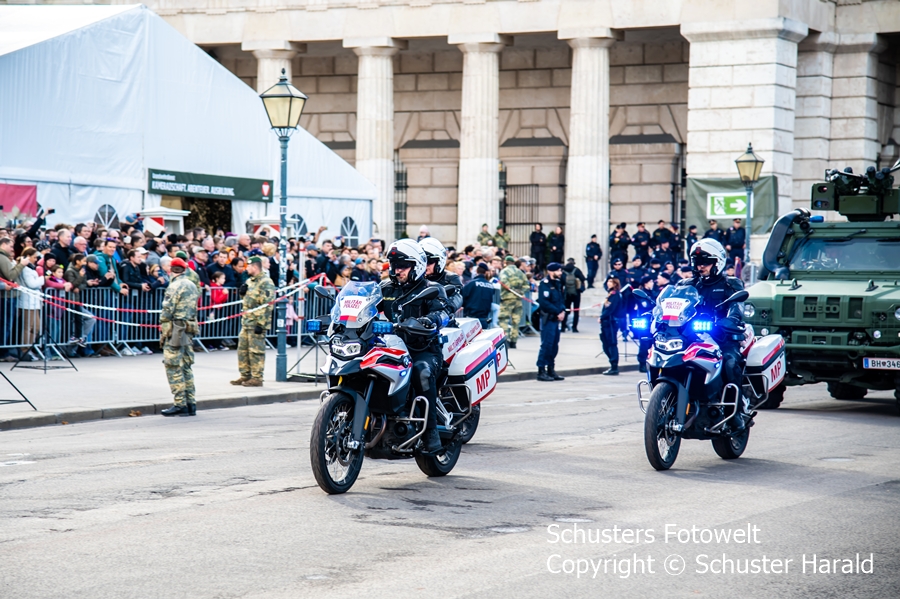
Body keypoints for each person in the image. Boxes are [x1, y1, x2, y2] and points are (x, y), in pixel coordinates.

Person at [377, 239, 451, 454]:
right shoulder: (384, 288)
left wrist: (430, 320)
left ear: (417, 265)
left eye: (403, 266)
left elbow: (443, 312)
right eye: (394, 265)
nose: (397, 270)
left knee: (421, 372)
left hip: (423, 349)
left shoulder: (431, 288)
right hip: (392, 347)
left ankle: (431, 433)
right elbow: (367, 306)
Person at [683, 238, 750, 430]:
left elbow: (738, 306)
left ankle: (736, 412)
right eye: (697, 262)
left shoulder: (731, 284)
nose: (701, 266)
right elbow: (672, 302)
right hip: (692, 337)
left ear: (718, 262)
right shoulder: (687, 284)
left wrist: (731, 319)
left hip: (722, 337)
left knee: (729, 362)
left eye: (706, 262)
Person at [159, 258, 201, 417]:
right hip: (188, 327)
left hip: (176, 328)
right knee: (186, 366)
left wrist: (164, 325)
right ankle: (191, 403)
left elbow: (168, 308)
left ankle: (180, 403)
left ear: (171, 270)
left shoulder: (174, 286)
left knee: (173, 365)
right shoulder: (191, 284)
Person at [231, 256, 275, 387]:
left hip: (256, 322)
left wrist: (261, 324)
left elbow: (267, 305)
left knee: (256, 351)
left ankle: (257, 377)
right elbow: (248, 300)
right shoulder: (250, 281)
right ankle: (245, 375)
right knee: (243, 350)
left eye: (249, 266)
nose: (246, 269)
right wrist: (242, 293)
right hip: (247, 321)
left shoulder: (266, 282)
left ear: (255, 267)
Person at [536, 262, 566, 382]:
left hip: (556, 319)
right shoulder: (544, 284)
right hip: (548, 318)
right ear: (550, 271)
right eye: (558, 271)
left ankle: (551, 369)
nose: (560, 273)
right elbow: (544, 302)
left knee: (554, 345)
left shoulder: (558, 283)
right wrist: (558, 311)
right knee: (546, 345)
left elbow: (561, 300)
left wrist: (562, 310)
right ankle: (541, 370)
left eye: (560, 270)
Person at [420, 237, 463, 313]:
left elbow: (456, 298)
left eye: (429, 261)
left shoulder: (450, 278)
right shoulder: (415, 280)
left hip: (440, 318)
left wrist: (444, 311)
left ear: (439, 262)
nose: (425, 265)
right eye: (421, 261)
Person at [499, 255, 529, 348]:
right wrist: (520, 292)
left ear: (505, 262)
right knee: (516, 321)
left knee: (504, 319)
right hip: (518, 299)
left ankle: (506, 340)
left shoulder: (504, 271)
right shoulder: (520, 272)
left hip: (507, 299)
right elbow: (526, 285)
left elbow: (504, 282)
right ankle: (514, 341)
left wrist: (512, 290)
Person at [632, 276, 656, 373]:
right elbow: (646, 306)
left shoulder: (653, 293)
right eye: (651, 281)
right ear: (646, 283)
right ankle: (642, 363)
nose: (652, 283)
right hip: (645, 321)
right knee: (644, 343)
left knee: (652, 343)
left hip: (653, 322)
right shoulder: (642, 294)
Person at [600, 276, 622, 375]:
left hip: (611, 322)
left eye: (611, 282)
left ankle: (614, 366)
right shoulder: (610, 294)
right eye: (608, 281)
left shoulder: (615, 295)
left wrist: (602, 317)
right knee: (606, 344)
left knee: (611, 344)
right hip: (607, 322)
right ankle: (612, 364)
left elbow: (610, 309)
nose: (608, 283)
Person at [461, 263, 495, 329]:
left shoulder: (471, 283)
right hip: (484, 318)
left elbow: (462, 297)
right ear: (486, 272)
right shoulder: (490, 285)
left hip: (471, 318)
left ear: (476, 271)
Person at [561, 257, 586, 333]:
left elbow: (561, 282)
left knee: (565, 310)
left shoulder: (563, 271)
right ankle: (574, 328)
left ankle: (563, 327)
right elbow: (583, 279)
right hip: (576, 293)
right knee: (576, 311)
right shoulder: (577, 270)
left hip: (566, 293)